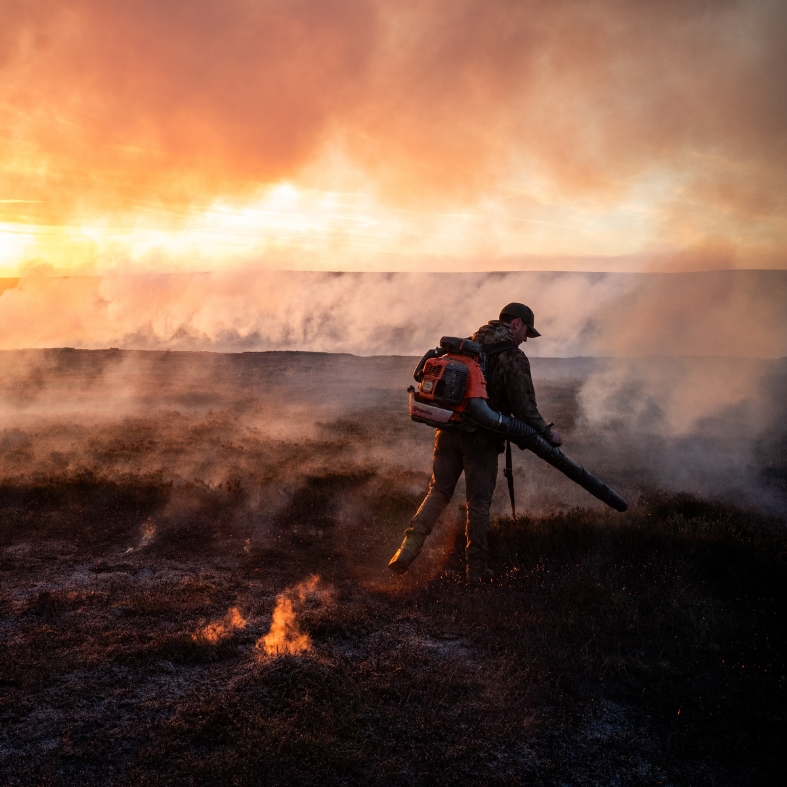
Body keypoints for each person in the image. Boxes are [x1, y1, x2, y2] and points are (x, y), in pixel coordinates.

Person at [388, 303, 563, 584]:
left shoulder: (467, 345)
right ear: (516, 324)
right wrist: (546, 433)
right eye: (527, 332)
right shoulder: (512, 357)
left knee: (438, 493)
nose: (526, 339)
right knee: (478, 504)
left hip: (447, 431)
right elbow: (525, 408)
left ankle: (405, 552)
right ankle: (477, 572)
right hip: (481, 440)